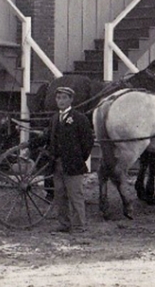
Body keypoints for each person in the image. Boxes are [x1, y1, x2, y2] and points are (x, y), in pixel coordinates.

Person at [48, 86, 94, 233]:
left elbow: (88, 141)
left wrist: (80, 159)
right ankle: (64, 224)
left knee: (75, 195)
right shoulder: (55, 118)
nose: (60, 101)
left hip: (74, 165)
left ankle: (79, 225)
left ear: (71, 100)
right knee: (60, 195)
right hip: (57, 164)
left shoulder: (79, 118)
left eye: (64, 98)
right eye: (58, 98)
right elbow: (48, 137)